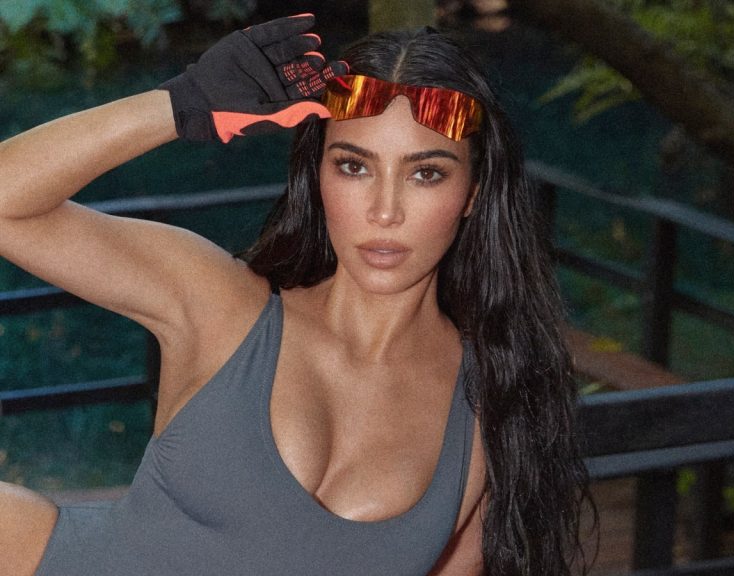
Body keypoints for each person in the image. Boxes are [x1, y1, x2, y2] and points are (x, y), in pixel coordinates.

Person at [0, 13, 591, 576]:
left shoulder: (495, 401)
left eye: (426, 173)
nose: (385, 211)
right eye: (354, 167)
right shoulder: (223, 306)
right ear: (318, 174)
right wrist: (179, 104)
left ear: (473, 194)